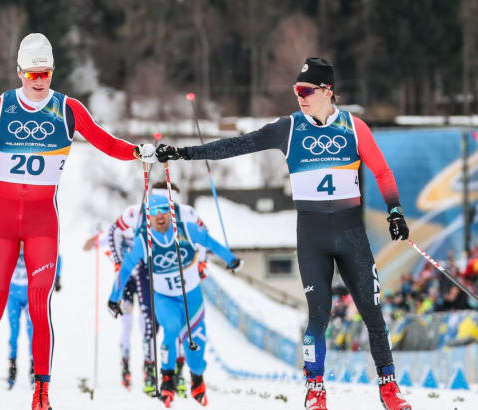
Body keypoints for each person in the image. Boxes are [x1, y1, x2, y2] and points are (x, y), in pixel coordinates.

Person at [156, 57, 412, 410]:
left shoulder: (355, 128)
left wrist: (395, 210)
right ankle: (315, 391)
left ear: (327, 92)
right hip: (313, 237)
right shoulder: (288, 128)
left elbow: (382, 172)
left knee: (373, 313)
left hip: (353, 235)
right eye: (296, 90)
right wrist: (184, 153)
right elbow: (237, 144)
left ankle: (389, 388)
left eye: (306, 91)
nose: (300, 96)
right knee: (318, 316)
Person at [0, 33, 157, 410]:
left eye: (45, 73)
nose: (39, 81)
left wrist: (137, 151)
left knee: (40, 306)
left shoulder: (68, 109)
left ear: (52, 71)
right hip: (2, 223)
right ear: (20, 72)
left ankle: (41, 392)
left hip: (43, 223)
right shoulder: (1, 107)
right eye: (32, 74)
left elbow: (105, 142)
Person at [107, 194, 242, 408]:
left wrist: (231, 259)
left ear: (171, 212)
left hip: (192, 299)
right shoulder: (144, 240)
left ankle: (197, 379)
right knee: (170, 329)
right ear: (148, 217)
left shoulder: (187, 230)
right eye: (153, 212)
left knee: (196, 346)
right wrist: (114, 299)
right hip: (164, 298)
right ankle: (167, 379)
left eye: (163, 210)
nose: (159, 216)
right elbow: (125, 269)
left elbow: (210, 243)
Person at [106, 182, 207, 396]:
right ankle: (150, 372)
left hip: (174, 274)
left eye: (170, 206)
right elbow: (113, 231)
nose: (164, 212)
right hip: (144, 273)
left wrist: (201, 264)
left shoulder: (185, 213)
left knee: (177, 324)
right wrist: (119, 262)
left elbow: (203, 234)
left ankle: (174, 374)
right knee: (147, 322)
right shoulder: (136, 212)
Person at [6, 247, 63, 389]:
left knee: (33, 333)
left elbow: (56, 256)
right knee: (14, 333)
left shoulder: (32, 242)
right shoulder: (10, 242)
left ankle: (33, 368)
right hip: (13, 294)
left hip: (31, 293)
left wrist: (56, 277)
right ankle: (12, 366)